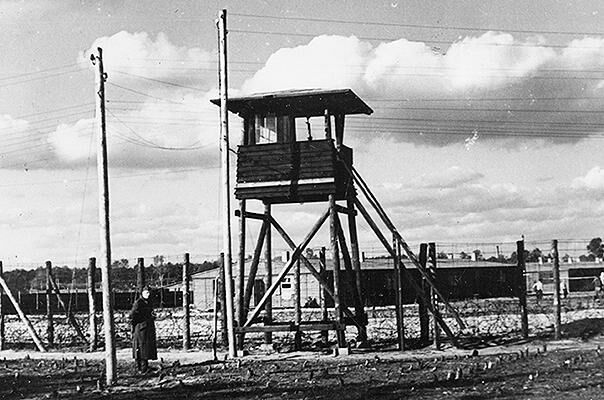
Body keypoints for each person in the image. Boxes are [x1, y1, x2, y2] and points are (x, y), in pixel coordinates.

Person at [130, 286, 157, 373]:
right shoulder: (139, 303)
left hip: (147, 328)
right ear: (142, 293)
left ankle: (144, 367)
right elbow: (132, 315)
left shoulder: (148, 302)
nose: (148, 295)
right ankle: (141, 368)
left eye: (149, 293)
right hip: (141, 329)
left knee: (146, 348)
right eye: (146, 293)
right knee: (141, 348)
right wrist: (140, 321)